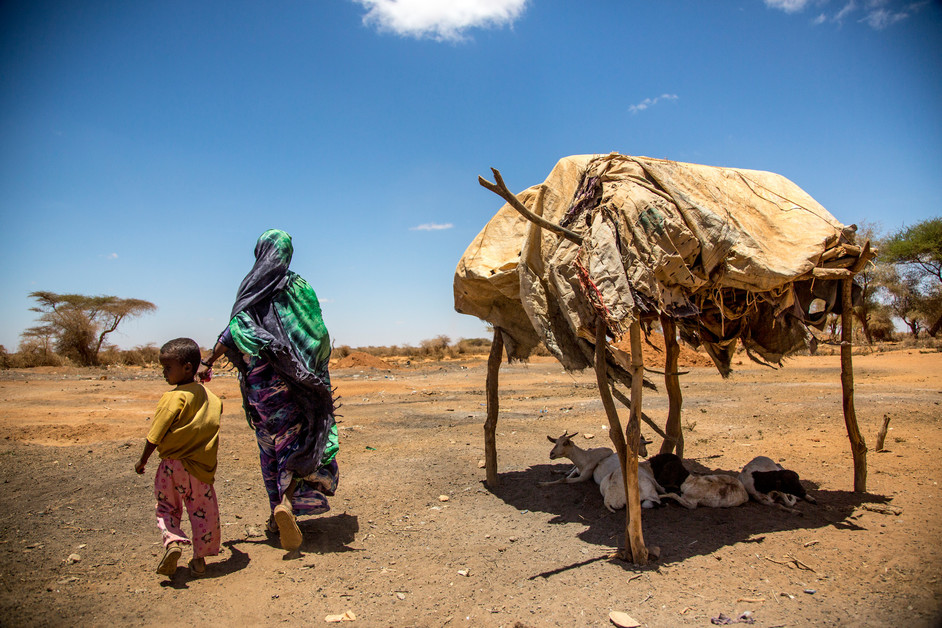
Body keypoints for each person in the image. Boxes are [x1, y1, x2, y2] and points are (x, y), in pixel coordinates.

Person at [199, 229, 338, 553]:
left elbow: (234, 328)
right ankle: (285, 506)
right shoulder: (298, 287)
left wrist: (208, 361)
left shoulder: (252, 284)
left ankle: (276, 514)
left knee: (271, 449)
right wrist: (309, 370)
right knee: (296, 442)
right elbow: (317, 335)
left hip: (260, 391)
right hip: (297, 385)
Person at [135, 338, 222, 577]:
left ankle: (172, 542)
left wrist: (142, 460)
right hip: (200, 470)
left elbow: (155, 435)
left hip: (171, 468)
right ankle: (200, 560)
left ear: (186, 367)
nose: (164, 373)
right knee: (203, 512)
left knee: (166, 508)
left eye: (167, 368)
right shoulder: (212, 399)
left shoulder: (173, 398)